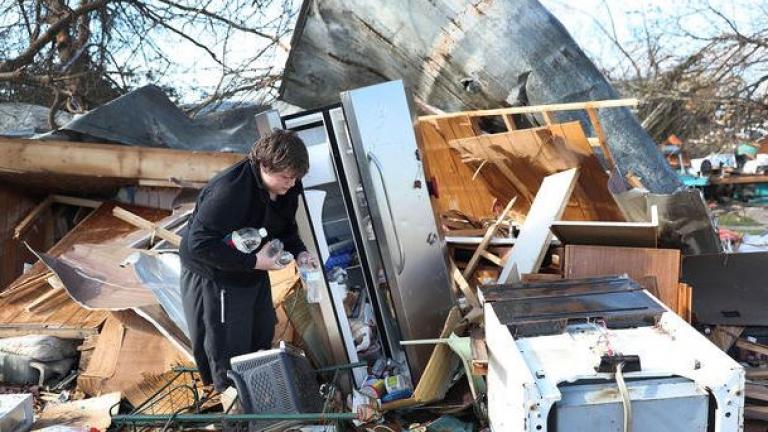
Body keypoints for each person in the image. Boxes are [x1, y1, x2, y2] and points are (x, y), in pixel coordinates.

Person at [179, 129, 316, 392]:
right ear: (264, 165)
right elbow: (199, 244)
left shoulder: (289, 187)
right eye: (286, 177)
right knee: (230, 348)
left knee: (261, 333)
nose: (291, 184)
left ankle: (262, 401)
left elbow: (286, 227)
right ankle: (237, 414)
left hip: (252, 266)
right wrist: (254, 263)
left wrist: (300, 252)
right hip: (214, 272)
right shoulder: (229, 191)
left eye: (296, 177)